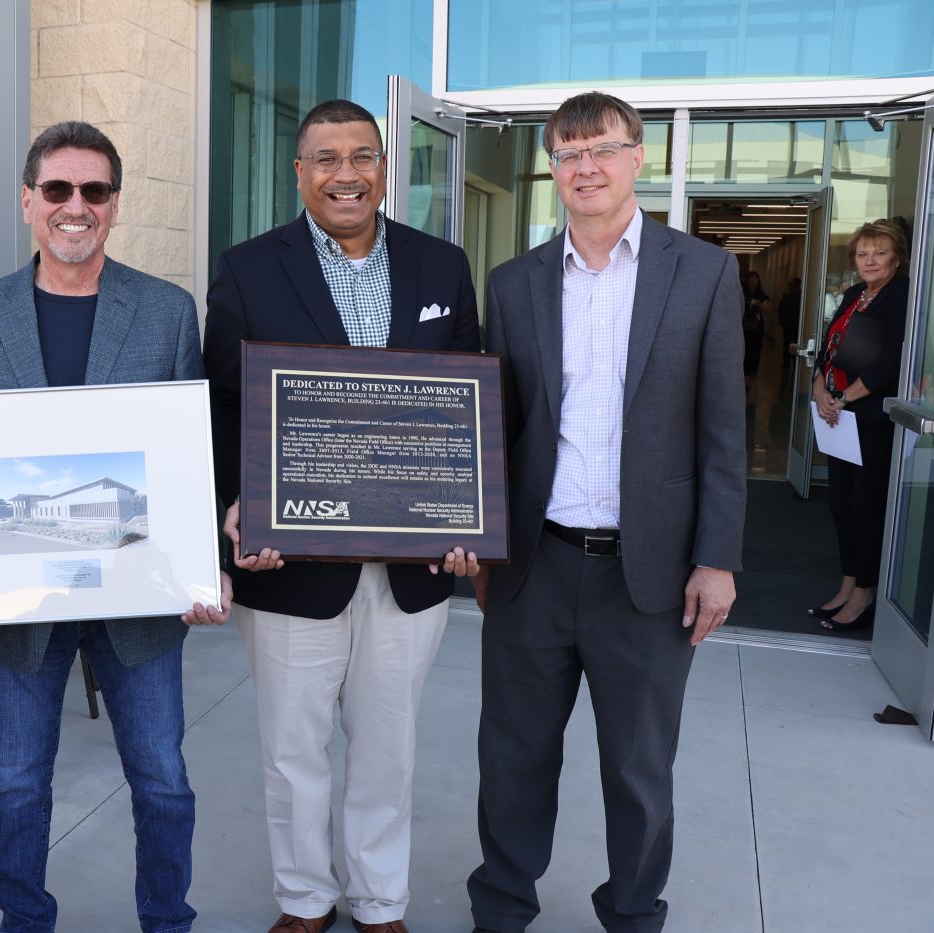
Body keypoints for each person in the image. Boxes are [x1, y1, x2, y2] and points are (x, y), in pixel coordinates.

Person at [0, 120, 225, 933]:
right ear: (28, 201)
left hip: (143, 601)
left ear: (114, 205)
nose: (75, 206)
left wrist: (201, 563)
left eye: (94, 191)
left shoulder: (164, 312)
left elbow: (187, 454)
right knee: (16, 782)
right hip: (22, 605)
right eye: (58, 189)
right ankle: (25, 921)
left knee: (163, 780)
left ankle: (167, 920)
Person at [465, 92, 746, 933]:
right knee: (512, 759)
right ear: (551, 166)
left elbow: (723, 429)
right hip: (534, 568)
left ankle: (632, 913)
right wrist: (484, 545)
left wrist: (717, 556)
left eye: (602, 148)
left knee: (638, 768)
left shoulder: (701, 272)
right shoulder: (513, 283)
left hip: (649, 575)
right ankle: (503, 909)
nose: (584, 166)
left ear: (638, 158)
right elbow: (498, 428)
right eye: (567, 151)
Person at [204, 99, 480, 933]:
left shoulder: (443, 267)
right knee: (293, 752)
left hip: (411, 568)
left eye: (363, 156)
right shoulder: (249, 268)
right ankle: (304, 899)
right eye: (326, 158)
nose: (347, 174)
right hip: (291, 566)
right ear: (300, 173)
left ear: (385, 167)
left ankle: (379, 901)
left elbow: (468, 405)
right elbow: (221, 405)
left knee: (387, 751)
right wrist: (232, 509)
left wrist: (471, 517)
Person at [808, 219, 910, 632]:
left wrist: (844, 399)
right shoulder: (855, 294)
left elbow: (891, 362)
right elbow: (829, 345)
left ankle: (864, 595)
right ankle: (847, 584)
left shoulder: (901, 296)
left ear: (897, 257)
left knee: (866, 510)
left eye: (879, 253)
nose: (869, 261)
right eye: (862, 254)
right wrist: (818, 386)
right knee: (842, 506)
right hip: (839, 416)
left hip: (870, 419)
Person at [742, 270, 770, 380]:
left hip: (757, 325)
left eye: (755, 279)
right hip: (744, 323)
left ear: (758, 281)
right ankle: (744, 370)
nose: (752, 281)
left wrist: (759, 304)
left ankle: (753, 369)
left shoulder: (761, 294)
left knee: (756, 346)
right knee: (745, 346)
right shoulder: (743, 292)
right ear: (747, 280)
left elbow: (768, 309)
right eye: (750, 279)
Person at [778, 275, 802, 366]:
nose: (789, 285)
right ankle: (795, 361)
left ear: (796, 284)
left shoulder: (787, 295)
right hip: (796, 324)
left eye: (790, 283)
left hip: (788, 324)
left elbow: (780, 308)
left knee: (787, 343)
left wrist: (781, 321)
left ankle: (787, 362)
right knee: (795, 343)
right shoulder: (801, 295)